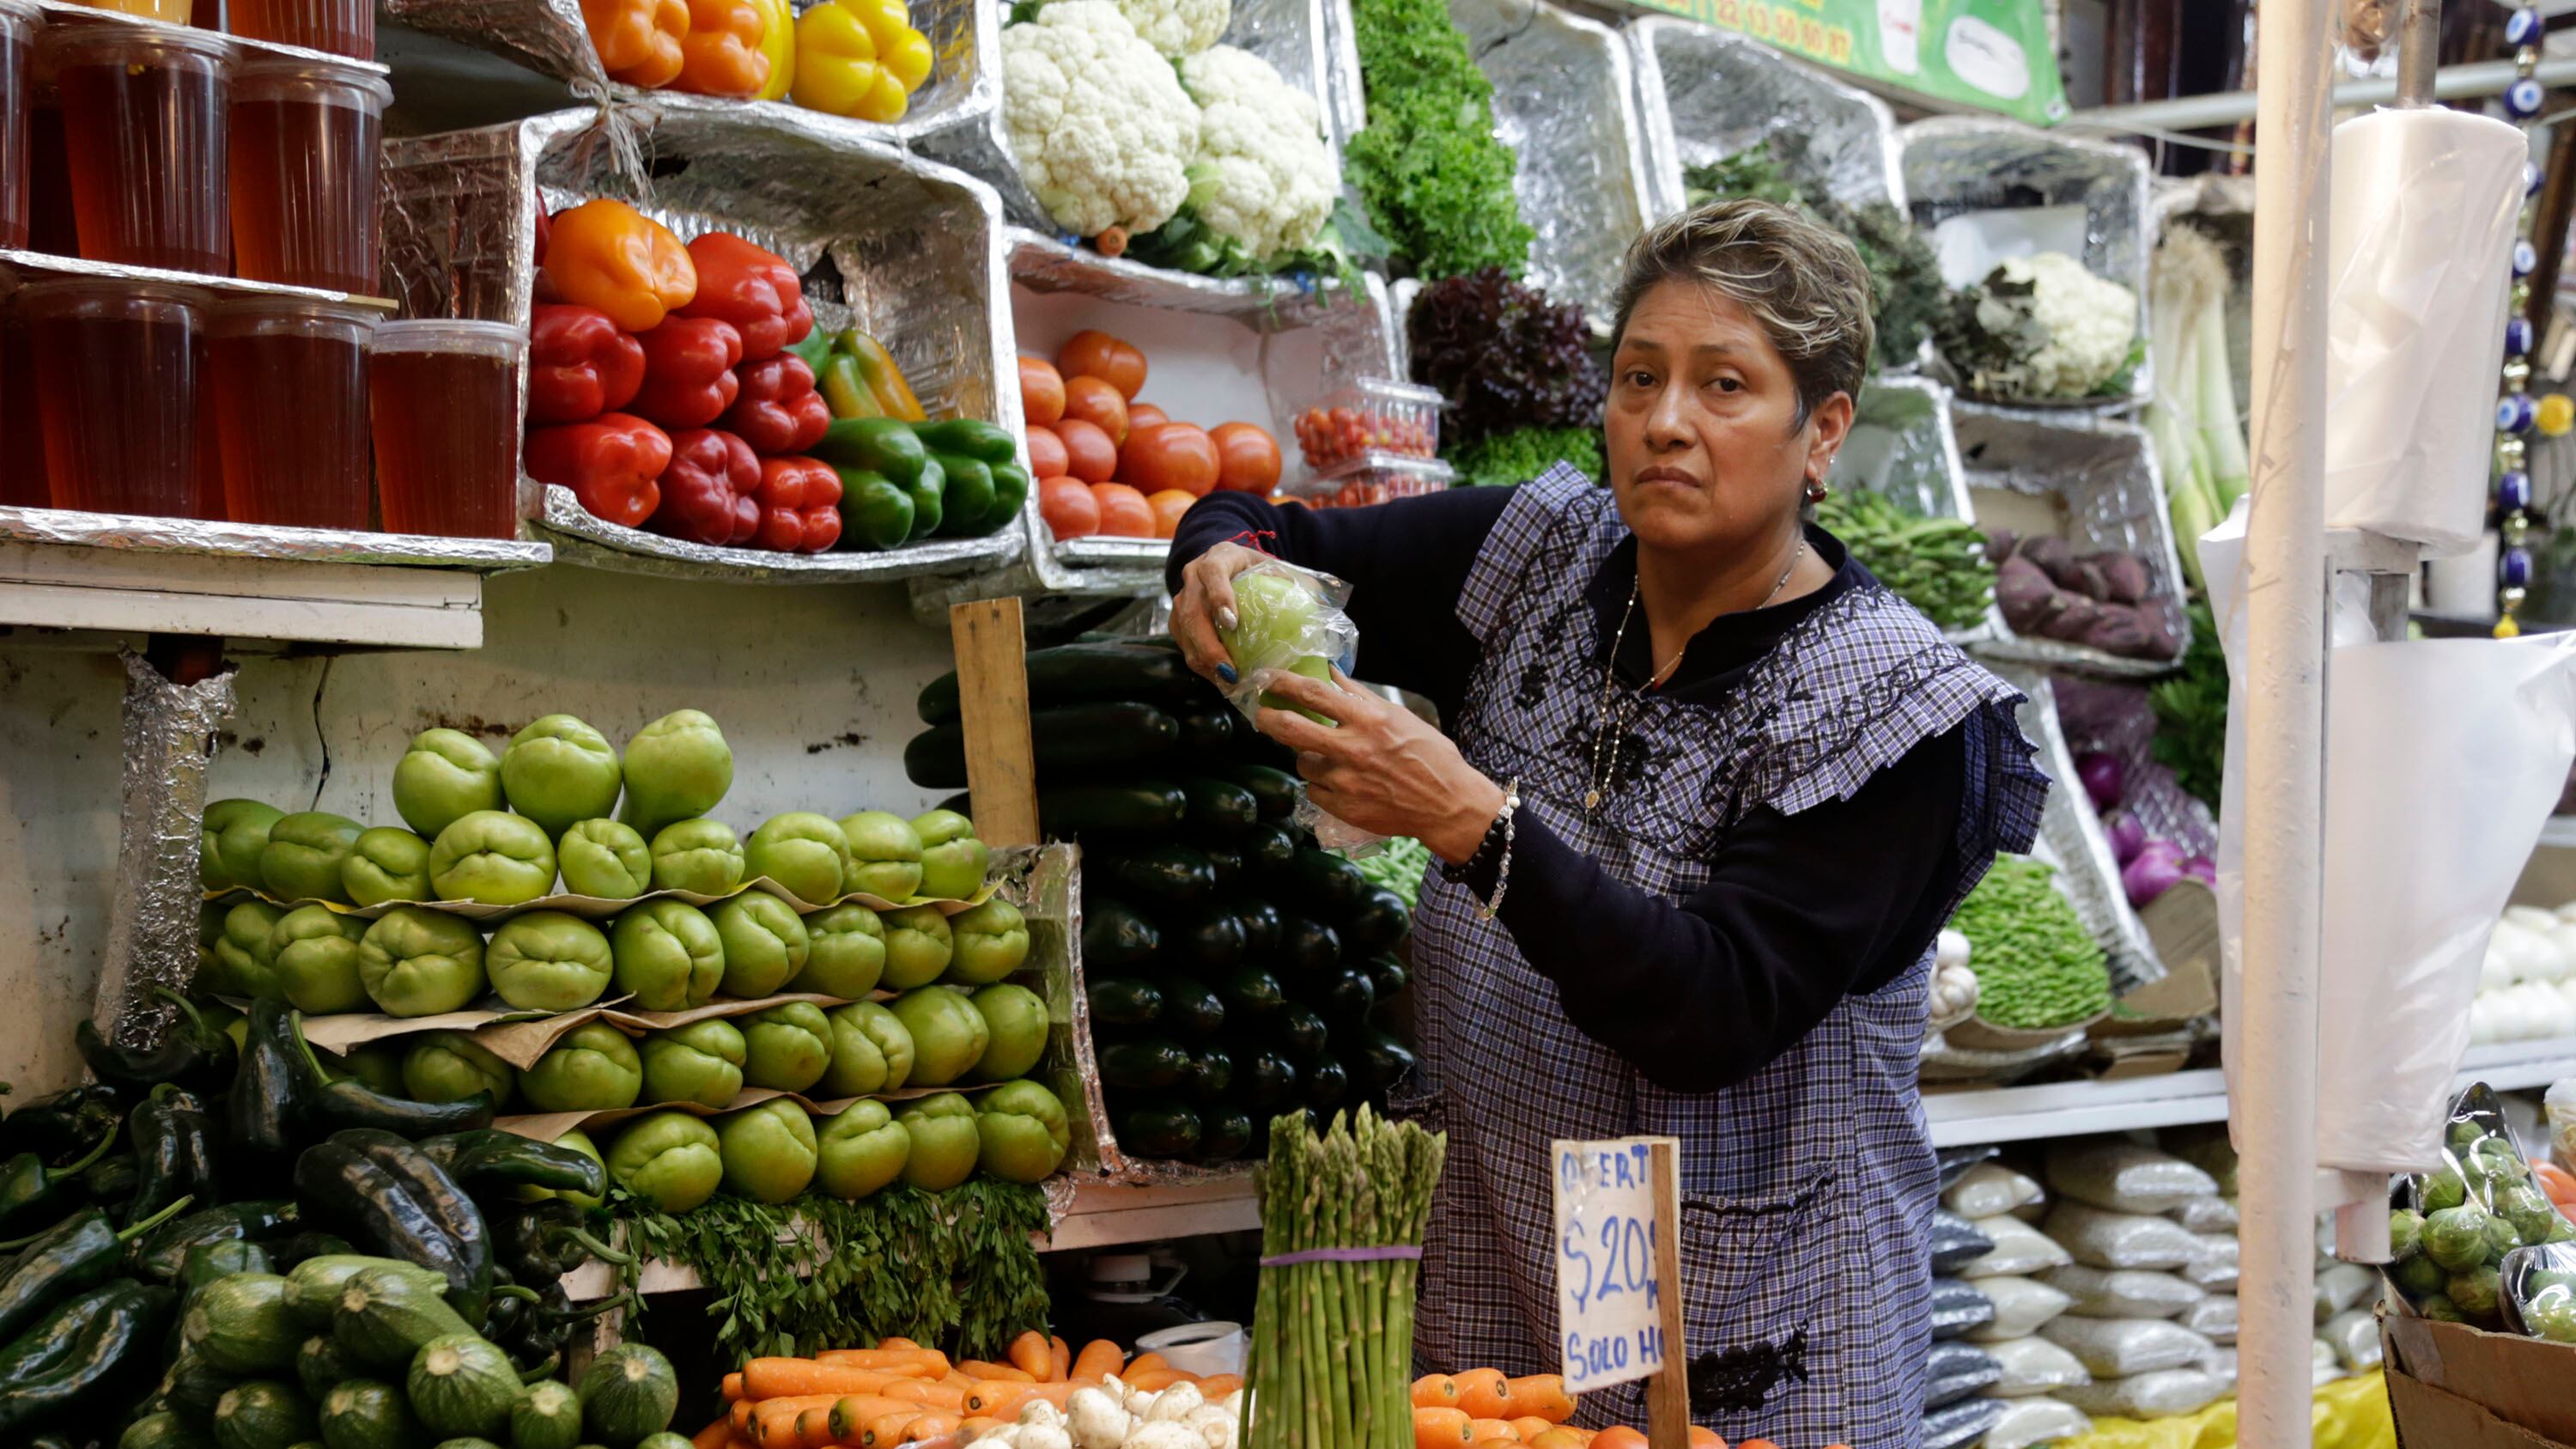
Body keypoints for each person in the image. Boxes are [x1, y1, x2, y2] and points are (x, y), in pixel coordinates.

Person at [1164, 199, 2048, 1448]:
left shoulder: (1895, 712)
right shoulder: (1538, 558)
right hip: (1507, 1258)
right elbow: (1270, 527)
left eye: (1724, 385)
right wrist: (1218, 565)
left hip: (1757, 1309)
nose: (1665, 422)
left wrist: (1474, 822)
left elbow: (1712, 1009)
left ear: (1824, 431)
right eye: (1640, 378)